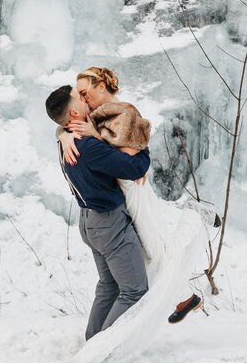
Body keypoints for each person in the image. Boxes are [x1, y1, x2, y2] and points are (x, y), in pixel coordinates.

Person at [58, 66, 204, 323]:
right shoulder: (94, 114)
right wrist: (64, 136)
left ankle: (196, 219)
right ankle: (184, 296)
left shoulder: (126, 113)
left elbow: (124, 160)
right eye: (79, 95)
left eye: (84, 92)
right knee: (146, 253)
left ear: (100, 87)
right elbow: (65, 120)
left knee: (154, 246)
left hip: (133, 189)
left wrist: (92, 136)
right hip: (119, 194)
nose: (82, 99)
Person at [45, 84, 152, 339]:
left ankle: (93, 340)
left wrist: (62, 132)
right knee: (135, 291)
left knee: (109, 286)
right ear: (73, 115)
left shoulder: (67, 141)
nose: (84, 98)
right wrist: (142, 146)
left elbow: (62, 128)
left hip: (88, 222)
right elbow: (134, 167)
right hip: (109, 223)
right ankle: (101, 352)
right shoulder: (88, 146)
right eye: (78, 98)